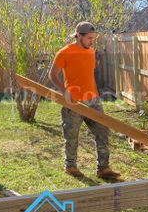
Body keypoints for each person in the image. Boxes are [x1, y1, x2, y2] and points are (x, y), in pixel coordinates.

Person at [49, 21, 121, 180]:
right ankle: (71, 166)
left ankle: (103, 168)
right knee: (71, 136)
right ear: (79, 36)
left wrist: (95, 94)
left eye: (93, 38)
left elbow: (89, 75)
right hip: (73, 103)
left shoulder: (91, 52)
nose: (91, 41)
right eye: (89, 38)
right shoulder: (64, 52)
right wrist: (64, 91)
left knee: (102, 132)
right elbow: (52, 75)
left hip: (93, 100)